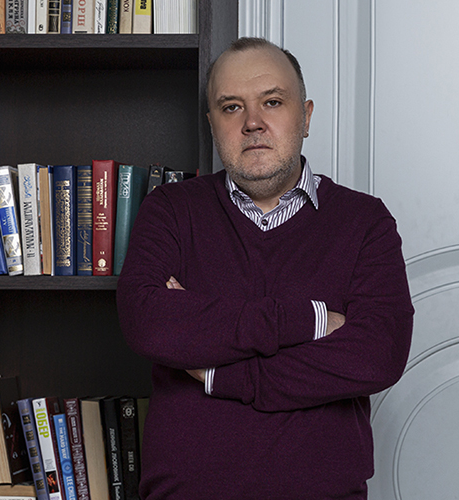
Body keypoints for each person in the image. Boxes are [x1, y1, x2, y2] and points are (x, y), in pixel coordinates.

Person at [116, 37, 414, 499]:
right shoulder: (170, 210)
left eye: (272, 102)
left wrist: (221, 374)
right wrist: (309, 320)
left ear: (306, 117)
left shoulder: (364, 221)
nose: (252, 122)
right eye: (231, 107)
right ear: (212, 124)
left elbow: (378, 354)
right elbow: (148, 323)